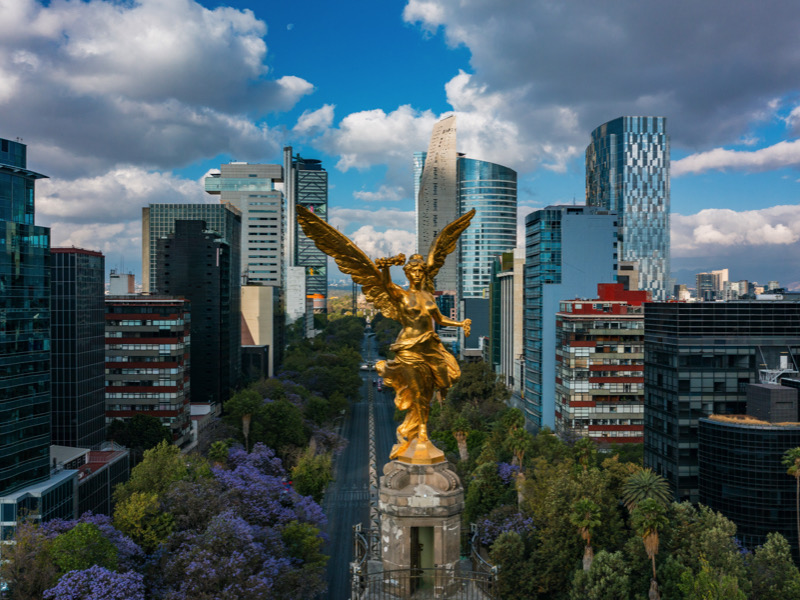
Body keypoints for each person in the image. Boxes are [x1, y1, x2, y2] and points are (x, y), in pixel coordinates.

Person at [374, 253, 470, 459]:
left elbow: (440, 318)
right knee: (419, 393)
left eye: (420, 271)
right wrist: (386, 266)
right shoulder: (401, 294)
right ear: (407, 274)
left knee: (445, 380)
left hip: (430, 347)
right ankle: (422, 431)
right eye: (413, 271)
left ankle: (419, 427)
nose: (417, 274)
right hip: (409, 349)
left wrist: (460, 324)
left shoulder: (428, 296)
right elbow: (386, 285)